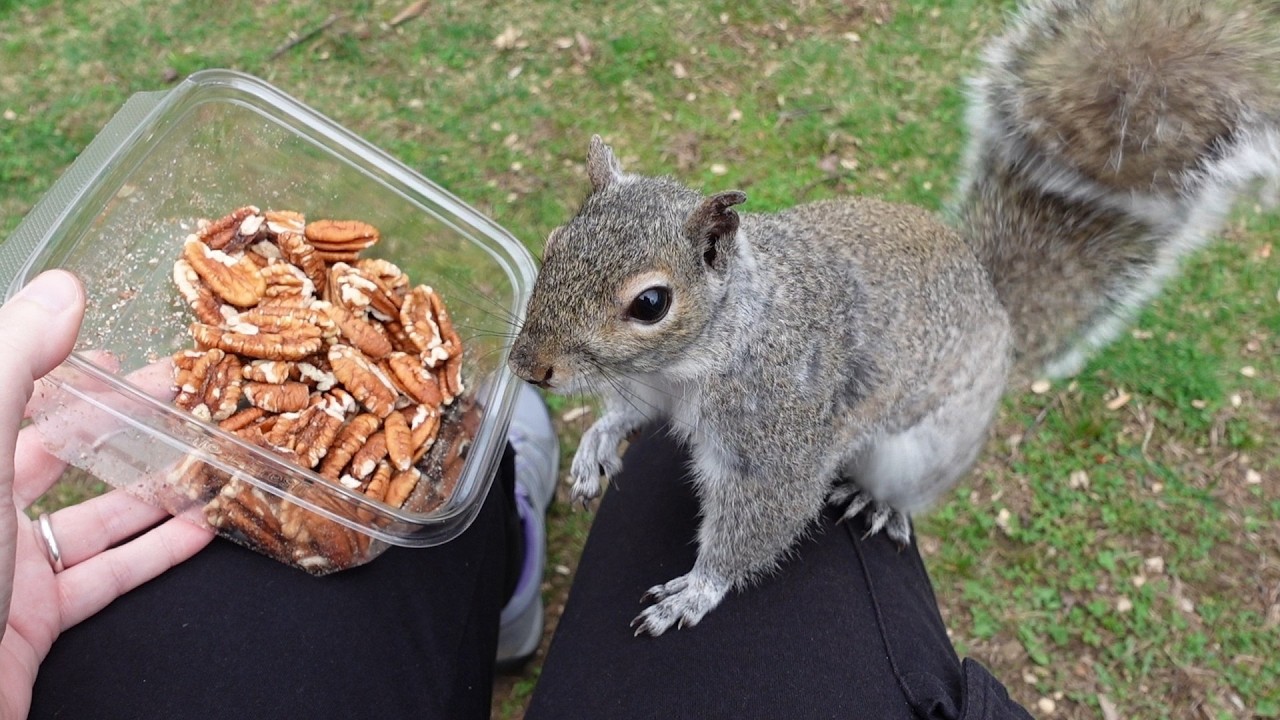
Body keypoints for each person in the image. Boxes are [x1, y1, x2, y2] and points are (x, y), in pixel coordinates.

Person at [2, 270, 1032, 719]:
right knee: (608, 469)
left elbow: (779, 473)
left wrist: (713, 581)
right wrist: (620, 418)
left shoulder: (764, 360)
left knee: (742, 474)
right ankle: (508, 523)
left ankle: (502, 525)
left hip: (888, 422)